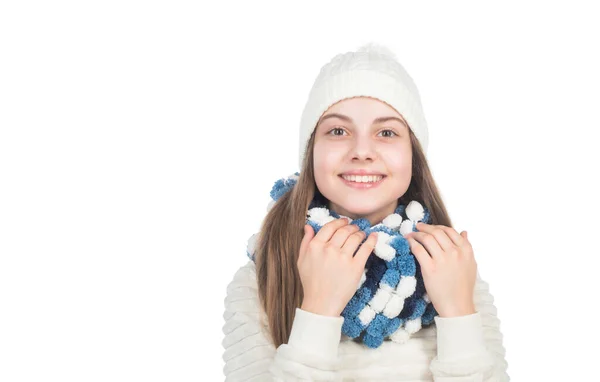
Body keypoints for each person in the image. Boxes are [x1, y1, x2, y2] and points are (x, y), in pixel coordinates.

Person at [221, 42, 510, 381]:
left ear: (413, 155)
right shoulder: (263, 276)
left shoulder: (453, 268)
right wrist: (318, 309)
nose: (362, 151)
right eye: (338, 131)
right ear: (311, 151)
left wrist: (458, 315)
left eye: (386, 132)